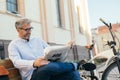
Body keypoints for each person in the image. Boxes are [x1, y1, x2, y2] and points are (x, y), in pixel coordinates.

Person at [8, 18, 96, 80]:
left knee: (72, 74)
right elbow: (16, 62)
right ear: (18, 30)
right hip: (33, 75)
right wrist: (34, 63)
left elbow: (50, 50)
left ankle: (76, 66)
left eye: (30, 29)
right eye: (26, 30)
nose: (29, 32)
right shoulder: (14, 45)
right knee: (48, 66)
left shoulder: (37, 40)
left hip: (51, 71)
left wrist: (65, 47)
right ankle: (77, 65)